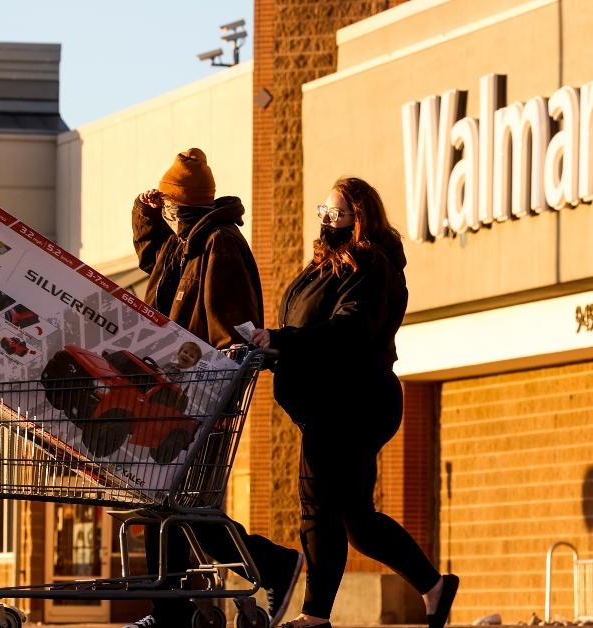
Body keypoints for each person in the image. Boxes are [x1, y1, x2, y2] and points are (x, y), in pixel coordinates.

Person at [251, 177, 459, 628]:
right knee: (357, 521)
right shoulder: (324, 266)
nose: (325, 221)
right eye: (322, 212)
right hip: (335, 401)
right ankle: (435, 586)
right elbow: (306, 333)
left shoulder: (371, 265)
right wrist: (268, 350)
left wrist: (282, 340)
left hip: (351, 403)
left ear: (358, 219)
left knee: (318, 503)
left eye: (335, 213)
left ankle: (315, 615)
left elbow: (348, 331)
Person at [128, 148, 304, 627]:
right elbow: (151, 256)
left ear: (178, 206)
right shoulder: (183, 246)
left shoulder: (219, 243)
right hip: (173, 397)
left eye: (164, 204)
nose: (161, 211)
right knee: (165, 506)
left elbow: (233, 324)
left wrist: (222, 376)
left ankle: (273, 565)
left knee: (176, 508)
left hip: (199, 399)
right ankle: (172, 612)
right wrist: (145, 212)